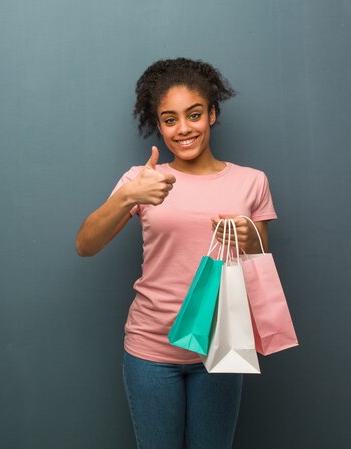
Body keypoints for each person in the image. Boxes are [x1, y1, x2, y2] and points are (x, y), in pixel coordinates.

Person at [75, 58, 277, 449]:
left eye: (194, 115)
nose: (183, 129)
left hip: (220, 348)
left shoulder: (251, 181)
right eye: (170, 119)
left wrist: (246, 235)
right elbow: (86, 245)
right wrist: (128, 196)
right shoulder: (141, 180)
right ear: (158, 124)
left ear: (212, 114)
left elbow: (262, 253)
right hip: (151, 352)